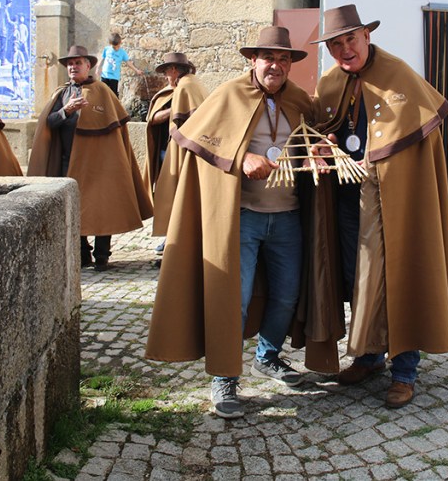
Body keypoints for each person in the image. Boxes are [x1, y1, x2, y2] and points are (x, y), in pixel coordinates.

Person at [145, 23, 341, 420]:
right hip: (242, 218)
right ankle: (225, 376)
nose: (276, 65)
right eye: (268, 57)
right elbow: (192, 138)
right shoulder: (229, 94)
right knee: (234, 298)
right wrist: (241, 158)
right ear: (253, 59)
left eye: (283, 59)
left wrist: (320, 147)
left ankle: (267, 357)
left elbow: (312, 139)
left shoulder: (299, 100)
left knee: (287, 295)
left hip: (287, 216)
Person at [313, 4, 448, 409]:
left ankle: (404, 371)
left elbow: (416, 141)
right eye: (335, 44)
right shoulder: (330, 81)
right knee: (358, 277)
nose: (345, 49)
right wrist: (324, 144)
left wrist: (378, 164)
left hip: (395, 200)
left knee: (398, 276)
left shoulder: (399, 76)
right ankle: (369, 355)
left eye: (350, 39)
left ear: (366, 36)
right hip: (347, 200)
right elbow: (323, 129)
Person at [27, 45, 152, 271]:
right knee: (75, 207)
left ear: (88, 66)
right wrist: (66, 111)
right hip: (69, 161)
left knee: (103, 206)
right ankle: (83, 253)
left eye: (78, 63)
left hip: (101, 164)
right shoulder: (62, 94)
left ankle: (102, 256)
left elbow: (117, 132)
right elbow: (50, 123)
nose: (73, 67)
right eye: (70, 64)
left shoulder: (102, 91)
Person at [142, 52, 207, 254]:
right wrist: (173, 110)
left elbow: (194, 116)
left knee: (176, 195)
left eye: (166, 71)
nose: (165, 76)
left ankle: (176, 241)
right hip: (168, 151)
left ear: (173, 70)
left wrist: (178, 107)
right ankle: (172, 238)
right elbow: (153, 119)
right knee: (172, 195)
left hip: (180, 152)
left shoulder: (187, 87)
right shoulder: (180, 88)